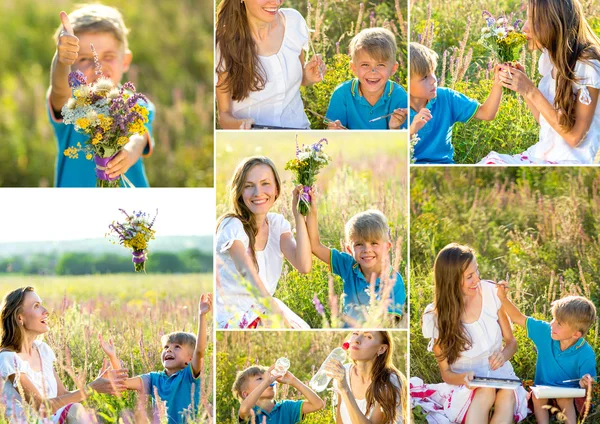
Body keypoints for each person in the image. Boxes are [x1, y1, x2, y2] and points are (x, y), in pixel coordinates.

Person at [411, 243, 528, 423]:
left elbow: (512, 343)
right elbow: (446, 373)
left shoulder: (490, 293)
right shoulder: (436, 316)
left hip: (500, 375)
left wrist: (503, 356)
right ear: (451, 281)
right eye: (469, 277)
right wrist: (463, 379)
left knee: (507, 395)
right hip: (466, 383)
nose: (477, 280)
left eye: (477, 272)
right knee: (485, 392)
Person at [481, 0, 600, 164]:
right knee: (490, 162)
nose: (524, 28)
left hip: (568, 163)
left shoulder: (587, 66)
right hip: (542, 154)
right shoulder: (551, 61)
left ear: (554, 23)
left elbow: (574, 137)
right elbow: (546, 122)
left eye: (533, 20)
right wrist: (523, 89)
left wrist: (530, 90)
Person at [49, 5, 155, 187]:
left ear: (125, 61)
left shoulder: (135, 104)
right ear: (71, 67)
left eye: (108, 56)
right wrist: (61, 60)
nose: (97, 65)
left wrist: (130, 151)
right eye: (83, 58)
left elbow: (141, 137)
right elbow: (59, 90)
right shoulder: (72, 103)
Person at [0, 286, 127, 423]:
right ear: (20, 318)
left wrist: (96, 384)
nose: (46, 311)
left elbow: (63, 396)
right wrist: (91, 388)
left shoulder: (42, 351)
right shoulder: (8, 359)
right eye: (36, 306)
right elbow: (42, 407)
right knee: (75, 410)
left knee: (77, 410)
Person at [215, 156, 312, 329]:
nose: (258, 192)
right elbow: (246, 272)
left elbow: (304, 265)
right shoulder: (231, 225)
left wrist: (299, 216)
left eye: (265, 183)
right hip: (232, 316)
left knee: (301, 329)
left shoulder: (277, 224)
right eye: (248, 186)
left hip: (264, 308)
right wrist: (275, 311)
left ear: (276, 189)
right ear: (239, 193)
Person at [100, 293, 212, 424]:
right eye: (166, 347)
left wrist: (202, 316)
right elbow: (123, 383)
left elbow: (199, 351)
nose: (169, 350)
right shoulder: (154, 379)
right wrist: (113, 357)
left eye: (177, 347)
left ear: (190, 359)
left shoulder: (189, 376)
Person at [215, 0, 324, 129]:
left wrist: (308, 76)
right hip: (253, 142)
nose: (276, 2)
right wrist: (241, 125)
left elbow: (300, 80)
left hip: (298, 134)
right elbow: (224, 115)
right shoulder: (223, 42)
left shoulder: (293, 22)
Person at [497, 287, 597, 424]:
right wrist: (502, 298)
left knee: (564, 398)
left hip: (570, 396)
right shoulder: (546, 332)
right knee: (538, 397)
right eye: (554, 319)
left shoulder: (586, 353)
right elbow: (518, 318)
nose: (552, 324)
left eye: (559, 324)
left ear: (576, 334)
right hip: (543, 390)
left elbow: (587, 385)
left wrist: (585, 382)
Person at [306, 195, 405, 326]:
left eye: (374, 243)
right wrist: (311, 210)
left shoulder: (394, 282)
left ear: (387, 247)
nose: (367, 249)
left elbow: (388, 324)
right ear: (349, 249)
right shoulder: (348, 265)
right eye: (359, 244)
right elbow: (315, 246)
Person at [409, 43, 503, 164]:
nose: (433, 80)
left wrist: (498, 83)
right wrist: (411, 132)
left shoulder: (446, 97)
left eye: (433, 72)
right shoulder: (395, 109)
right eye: (424, 77)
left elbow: (487, 113)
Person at [325, 28, 408, 130]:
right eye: (365, 64)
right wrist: (334, 130)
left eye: (380, 65)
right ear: (354, 68)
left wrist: (395, 128)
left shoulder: (399, 96)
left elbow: (405, 140)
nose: (373, 71)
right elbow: (332, 135)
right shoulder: (341, 94)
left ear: (393, 69)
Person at [324, 331, 407, 423]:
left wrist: (344, 389)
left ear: (381, 349)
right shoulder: (345, 372)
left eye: (368, 337)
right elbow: (340, 419)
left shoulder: (389, 381)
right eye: (355, 333)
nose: (357, 340)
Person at [232, 363, 324, 423]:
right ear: (246, 394)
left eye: (270, 377)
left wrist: (293, 381)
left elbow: (318, 404)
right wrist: (265, 383)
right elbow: (243, 409)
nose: (269, 380)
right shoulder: (250, 412)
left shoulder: (287, 407)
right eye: (260, 379)